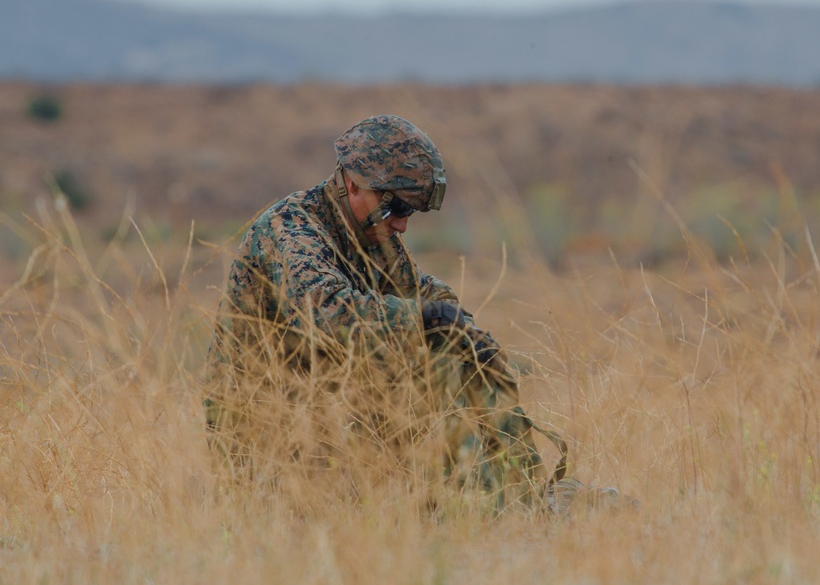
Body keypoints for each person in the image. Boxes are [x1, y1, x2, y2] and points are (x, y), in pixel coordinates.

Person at [202, 114, 569, 513]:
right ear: (353, 183)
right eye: (394, 206)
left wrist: (465, 332)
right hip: (270, 440)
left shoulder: (370, 233)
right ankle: (486, 506)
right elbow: (328, 316)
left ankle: (518, 496)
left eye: (409, 212)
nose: (401, 224)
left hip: (338, 424)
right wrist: (424, 318)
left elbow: (423, 293)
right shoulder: (291, 230)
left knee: (463, 359)